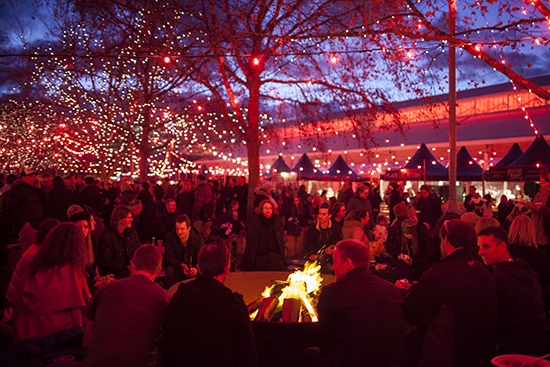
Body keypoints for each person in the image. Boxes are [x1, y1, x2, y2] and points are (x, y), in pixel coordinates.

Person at [404, 219, 498, 367]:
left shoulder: (439, 274)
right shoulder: (482, 271)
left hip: (448, 355)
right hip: (480, 355)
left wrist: (412, 290)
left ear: (446, 240)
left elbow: (412, 313)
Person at [162, 244, 258, 367]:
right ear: (227, 269)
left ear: (199, 268)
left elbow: (168, 346)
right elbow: (248, 357)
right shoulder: (234, 306)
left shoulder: (178, 299)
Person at [314, 239, 406, 367]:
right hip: (392, 362)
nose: (333, 267)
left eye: (335, 261)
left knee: (311, 354)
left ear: (347, 263)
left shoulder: (333, 292)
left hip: (351, 362)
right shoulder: (392, 290)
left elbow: (325, 343)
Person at [83, 245, 171, 367]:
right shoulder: (164, 298)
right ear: (158, 271)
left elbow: (87, 341)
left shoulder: (104, 290)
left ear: (132, 265)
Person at [8, 223, 91, 342]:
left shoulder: (33, 268)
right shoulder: (73, 273)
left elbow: (17, 301)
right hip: (62, 337)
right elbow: (85, 308)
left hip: (28, 334)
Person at [477, 226, 546, 354]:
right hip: (536, 342)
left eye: (486, 246)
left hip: (514, 347)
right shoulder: (523, 269)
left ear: (503, 247)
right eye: (479, 247)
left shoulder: (501, 277)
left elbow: (485, 317)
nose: (480, 252)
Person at [508, 215, 550, 312]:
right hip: (534, 302)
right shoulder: (539, 256)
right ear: (532, 231)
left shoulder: (506, 251)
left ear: (512, 229)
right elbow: (545, 280)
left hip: (510, 300)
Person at [6, 168, 46, 249]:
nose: (33, 178)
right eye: (30, 176)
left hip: (36, 224)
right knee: (28, 250)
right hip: (27, 226)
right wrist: (24, 223)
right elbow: (11, 208)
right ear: (23, 178)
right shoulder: (18, 189)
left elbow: (44, 202)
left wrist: (40, 189)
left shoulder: (34, 189)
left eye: (34, 176)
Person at [241, 199, 285, 271]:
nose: (268, 210)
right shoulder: (256, 222)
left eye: (270, 208)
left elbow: (280, 241)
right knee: (265, 263)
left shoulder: (277, 221)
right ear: (261, 210)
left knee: (274, 260)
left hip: (274, 253)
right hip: (259, 255)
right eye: (266, 208)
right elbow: (251, 241)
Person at [97, 205, 140, 277]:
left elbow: (136, 252)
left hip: (129, 270)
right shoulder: (106, 236)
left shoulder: (132, 234)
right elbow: (106, 261)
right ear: (120, 219)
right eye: (129, 217)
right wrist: (125, 267)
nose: (132, 219)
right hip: (112, 273)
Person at [163, 214, 204, 288]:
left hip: (193, 267)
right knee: (170, 270)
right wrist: (181, 265)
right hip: (177, 265)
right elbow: (169, 257)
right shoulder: (170, 237)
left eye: (182, 229)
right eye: (177, 229)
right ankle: (169, 294)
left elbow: (202, 258)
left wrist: (196, 268)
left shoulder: (198, 239)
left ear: (189, 228)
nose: (179, 232)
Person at [304, 203, 341, 273]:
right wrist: (323, 250)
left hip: (331, 257)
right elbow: (308, 246)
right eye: (319, 214)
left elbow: (338, 242)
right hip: (316, 255)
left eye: (324, 214)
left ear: (329, 215)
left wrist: (333, 249)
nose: (320, 216)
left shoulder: (336, 228)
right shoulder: (312, 229)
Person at [523, 168, 550, 257]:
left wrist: (526, 203)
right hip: (542, 225)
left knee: (542, 251)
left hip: (540, 225)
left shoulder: (545, 189)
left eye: (540, 177)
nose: (539, 179)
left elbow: (540, 206)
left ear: (544, 178)